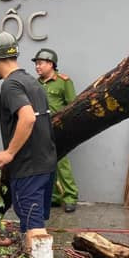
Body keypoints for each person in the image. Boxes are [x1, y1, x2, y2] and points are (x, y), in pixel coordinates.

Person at [0, 31, 57, 258]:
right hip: (46, 163)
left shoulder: (11, 85)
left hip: (29, 167)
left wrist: (9, 153)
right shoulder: (32, 83)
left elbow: (28, 117)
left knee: (34, 226)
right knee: (29, 221)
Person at [33, 48, 79, 213]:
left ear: (51, 64)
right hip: (40, 130)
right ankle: (54, 197)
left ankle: (70, 197)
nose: (37, 66)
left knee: (61, 164)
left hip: (58, 129)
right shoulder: (35, 83)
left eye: (40, 63)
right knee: (45, 164)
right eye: (36, 64)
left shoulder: (63, 82)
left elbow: (73, 106)